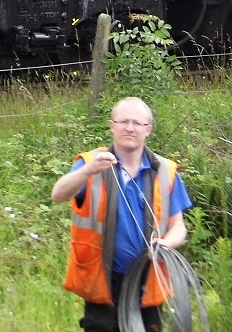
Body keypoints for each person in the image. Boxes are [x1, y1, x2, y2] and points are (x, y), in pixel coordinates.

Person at [51, 97, 192, 332]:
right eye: (123, 121)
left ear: (148, 130)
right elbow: (58, 194)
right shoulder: (92, 163)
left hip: (149, 280)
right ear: (112, 126)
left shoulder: (165, 171)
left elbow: (178, 226)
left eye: (137, 123)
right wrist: (88, 171)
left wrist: (166, 244)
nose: (130, 128)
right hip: (104, 283)